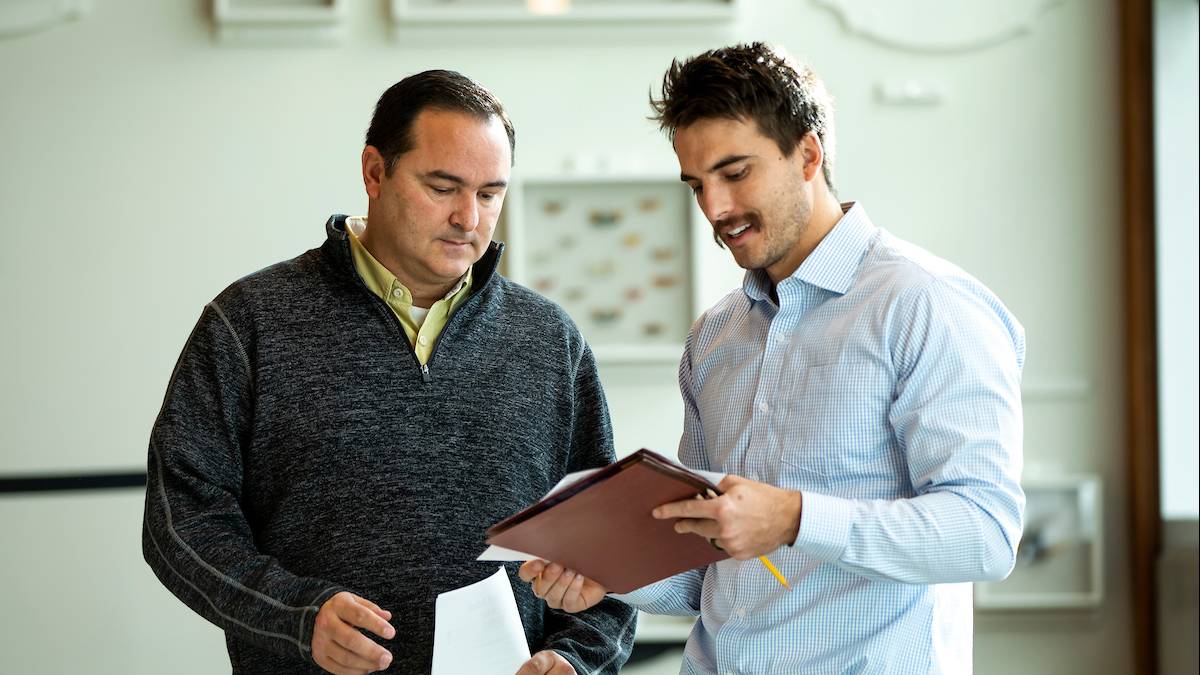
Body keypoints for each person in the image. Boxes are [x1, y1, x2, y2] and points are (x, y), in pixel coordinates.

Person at [519, 42, 1026, 673]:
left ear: (807, 154)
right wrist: (610, 574)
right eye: (696, 184)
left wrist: (793, 518)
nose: (715, 208)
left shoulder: (927, 305)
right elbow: (709, 576)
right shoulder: (715, 338)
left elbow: (984, 536)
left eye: (735, 173)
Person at [142, 70, 635, 675]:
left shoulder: (549, 340)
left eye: (489, 193)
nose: (468, 218)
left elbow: (607, 548)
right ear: (375, 172)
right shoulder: (249, 323)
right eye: (443, 186)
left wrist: (576, 659)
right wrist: (297, 616)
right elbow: (180, 521)